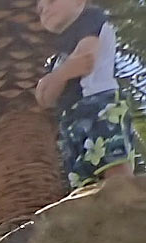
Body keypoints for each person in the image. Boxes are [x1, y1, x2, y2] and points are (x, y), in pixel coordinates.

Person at [35, 0, 135, 189]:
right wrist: (62, 73)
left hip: (99, 106)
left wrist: (54, 79)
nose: (45, 9)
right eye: (40, 10)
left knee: (115, 172)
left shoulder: (91, 19)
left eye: (51, 1)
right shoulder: (57, 59)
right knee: (84, 185)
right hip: (70, 121)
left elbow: (85, 60)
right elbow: (43, 98)